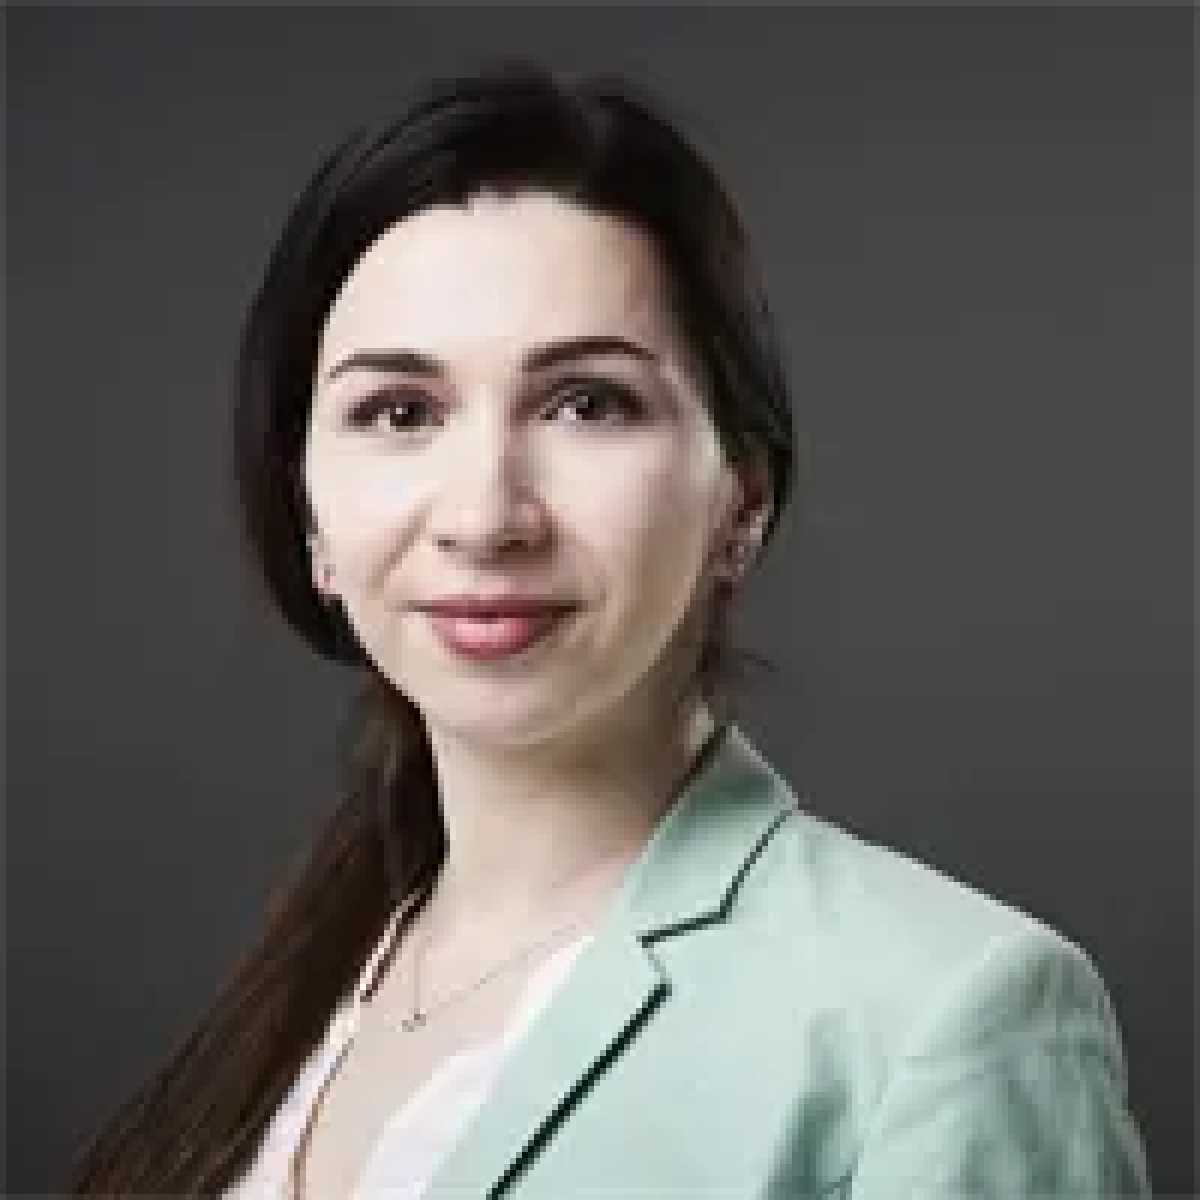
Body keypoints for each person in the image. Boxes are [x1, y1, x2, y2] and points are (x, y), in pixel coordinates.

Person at [66, 59, 1152, 1199]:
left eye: (587, 404)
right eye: (400, 410)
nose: (485, 517)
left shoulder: (952, 1022)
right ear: (311, 518)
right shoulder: (312, 980)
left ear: (740, 501)